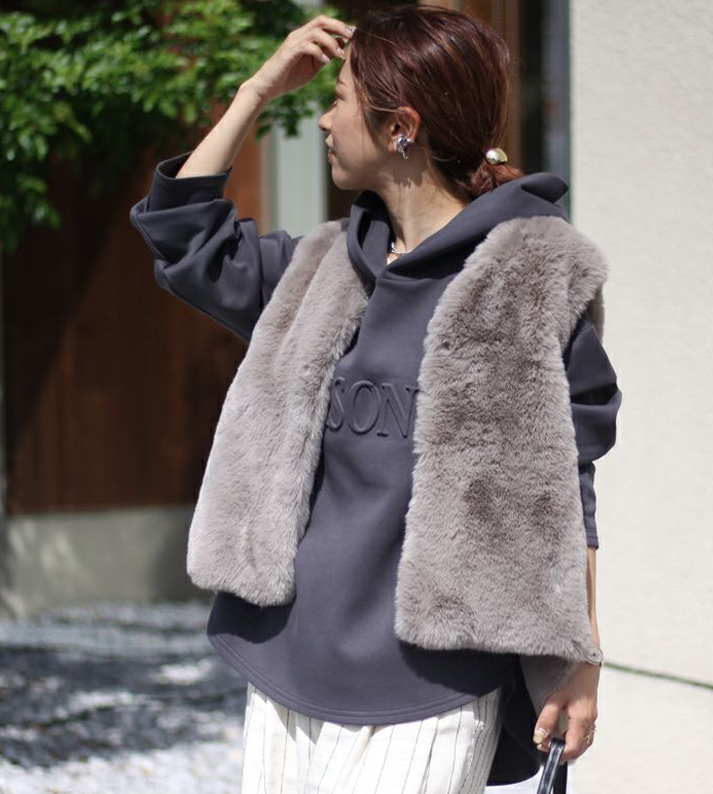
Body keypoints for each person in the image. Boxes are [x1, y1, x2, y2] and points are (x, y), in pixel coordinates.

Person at [129, 5, 623, 793]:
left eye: (339, 100)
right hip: (287, 660)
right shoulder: (321, 269)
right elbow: (184, 231)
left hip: (431, 682)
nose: (323, 120)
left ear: (400, 128)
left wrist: (579, 661)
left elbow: (569, 490)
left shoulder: (529, 281)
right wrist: (257, 90)